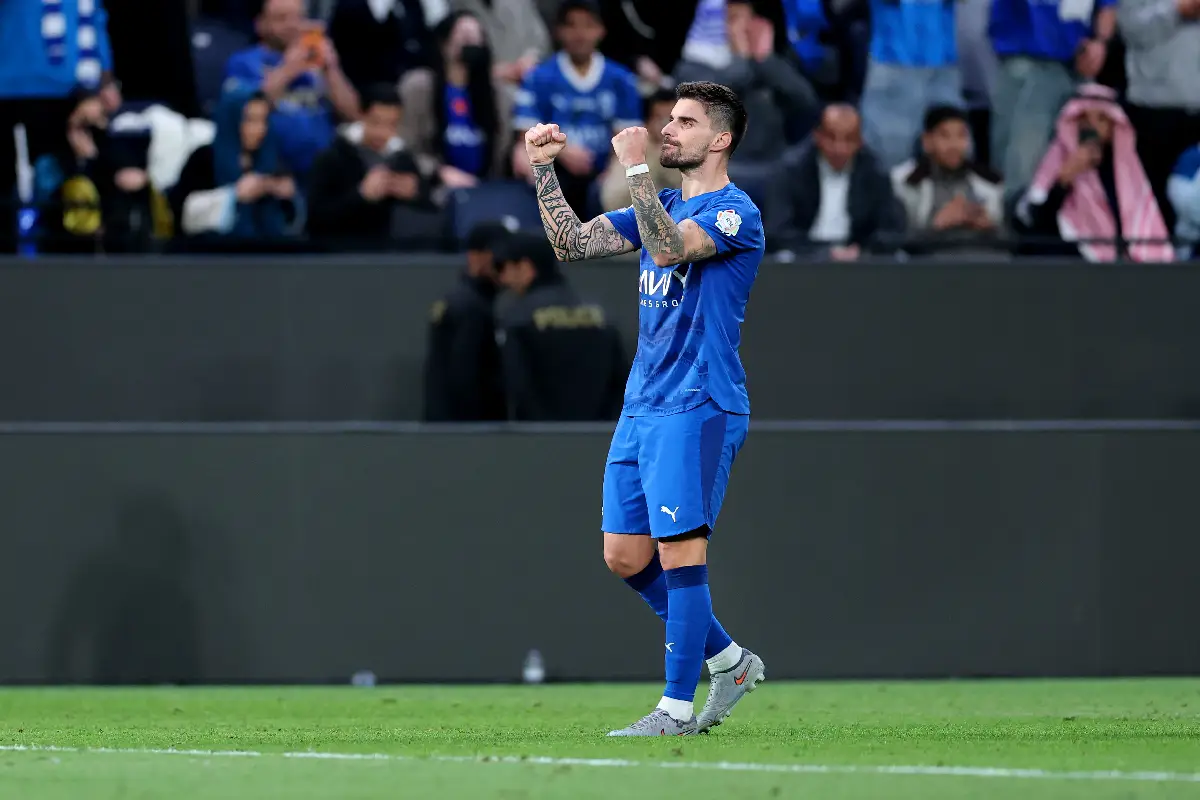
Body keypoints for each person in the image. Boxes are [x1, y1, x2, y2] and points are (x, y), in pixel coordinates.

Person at [523, 80, 767, 736]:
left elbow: (667, 248)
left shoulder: (736, 212)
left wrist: (632, 166)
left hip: (700, 401)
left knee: (680, 555)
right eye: (668, 119)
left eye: (685, 122)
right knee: (626, 556)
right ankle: (728, 660)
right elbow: (572, 244)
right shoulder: (654, 200)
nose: (668, 130)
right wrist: (543, 169)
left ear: (719, 139)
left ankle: (674, 710)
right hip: (643, 404)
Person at [511, 0, 642, 216]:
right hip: (554, 167)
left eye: (588, 25)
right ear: (559, 31)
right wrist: (562, 150)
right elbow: (524, 134)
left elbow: (627, 137)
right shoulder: (538, 77)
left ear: (601, 30)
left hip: (603, 170)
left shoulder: (622, 79)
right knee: (523, 157)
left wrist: (610, 173)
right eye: (571, 25)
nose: (580, 34)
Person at [1015, 84, 1172, 262]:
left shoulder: (1127, 169)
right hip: (1070, 261)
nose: (1092, 126)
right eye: (1084, 118)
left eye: (1101, 119)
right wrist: (1065, 177)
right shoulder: (1056, 160)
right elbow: (1035, 222)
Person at [493, 231, 626, 421]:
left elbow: (517, 386)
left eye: (503, 268)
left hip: (541, 440)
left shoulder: (517, 317)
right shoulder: (600, 316)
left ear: (524, 267)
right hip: (599, 435)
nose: (503, 278)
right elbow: (620, 382)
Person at [222, 0, 360, 180]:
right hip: (270, 171)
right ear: (260, 24)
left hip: (323, 170)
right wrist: (289, 68)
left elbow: (352, 114)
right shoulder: (242, 62)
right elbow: (245, 109)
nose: (292, 25)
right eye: (281, 18)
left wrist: (332, 69)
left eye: (298, 17)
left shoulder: (316, 64)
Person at [306, 85, 435, 250]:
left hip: (391, 257)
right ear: (362, 116)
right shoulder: (332, 158)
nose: (383, 133)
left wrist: (415, 193)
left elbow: (429, 212)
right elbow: (315, 221)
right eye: (376, 122)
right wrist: (361, 196)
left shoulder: (403, 159)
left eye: (392, 125)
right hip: (341, 256)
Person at [399, 11, 510, 196]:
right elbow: (404, 145)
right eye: (464, 36)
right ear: (444, 44)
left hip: (488, 188)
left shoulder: (499, 94)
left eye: (476, 37)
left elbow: (506, 148)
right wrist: (438, 171)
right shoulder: (419, 86)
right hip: (435, 188)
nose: (470, 42)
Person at [776, 103, 901, 259]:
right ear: (817, 135)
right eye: (831, 138)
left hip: (858, 263)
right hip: (803, 259)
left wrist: (861, 251)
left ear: (860, 141)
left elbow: (889, 231)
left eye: (849, 140)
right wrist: (823, 253)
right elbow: (779, 231)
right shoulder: (792, 170)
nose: (840, 148)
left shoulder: (875, 173)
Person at [423, 221, 511, 422]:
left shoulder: (460, 299)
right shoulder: (471, 307)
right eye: (497, 256)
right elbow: (465, 378)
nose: (504, 264)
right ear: (475, 256)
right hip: (465, 433)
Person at [890, 105, 1006, 256]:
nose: (954, 145)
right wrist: (937, 225)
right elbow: (896, 242)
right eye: (945, 136)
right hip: (928, 268)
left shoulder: (989, 182)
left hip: (983, 262)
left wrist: (990, 227)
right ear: (927, 141)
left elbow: (1011, 242)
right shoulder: (905, 182)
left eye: (961, 136)